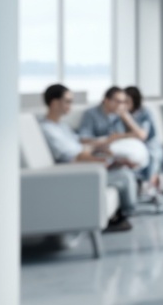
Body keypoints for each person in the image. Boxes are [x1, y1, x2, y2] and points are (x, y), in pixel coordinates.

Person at [40, 84, 135, 233]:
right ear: (54, 103)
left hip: (83, 167)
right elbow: (74, 156)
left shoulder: (61, 126)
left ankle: (118, 215)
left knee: (122, 167)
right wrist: (104, 162)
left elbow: (80, 145)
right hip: (76, 173)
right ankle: (124, 214)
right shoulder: (48, 129)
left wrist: (105, 150)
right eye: (68, 101)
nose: (71, 105)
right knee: (124, 176)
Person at [122, 86, 163, 192]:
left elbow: (142, 135)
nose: (124, 105)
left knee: (152, 157)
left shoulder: (145, 112)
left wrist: (127, 118)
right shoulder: (119, 114)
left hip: (149, 144)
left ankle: (151, 182)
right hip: (131, 144)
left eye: (127, 101)